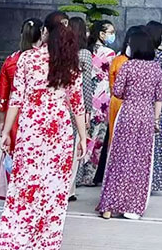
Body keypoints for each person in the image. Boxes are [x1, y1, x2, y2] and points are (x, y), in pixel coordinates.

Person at [0, 11, 87, 250]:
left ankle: (15, 239)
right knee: (53, 191)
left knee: (25, 186)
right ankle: (45, 242)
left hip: (31, 130)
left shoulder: (27, 59)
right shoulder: (70, 63)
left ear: (44, 32)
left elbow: (16, 98)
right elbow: (78, 105)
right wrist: (83, 138)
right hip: (60, 133)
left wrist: (5, 131)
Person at [96, 27, 162, 220]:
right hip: (146, 116)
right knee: (140, 162)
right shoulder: (156, 68)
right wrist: (156, 120)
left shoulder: (127, 66)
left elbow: (117, 91)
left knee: (118, 160)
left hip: (127, 115)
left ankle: (109, 206)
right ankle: (132, 208)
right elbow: (159, 98)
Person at [0, 19, 43, 199]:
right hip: (39, 116)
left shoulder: (11, 60)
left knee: (14, 156)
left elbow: (2, 96)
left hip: (14, 117)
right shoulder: (45, 60)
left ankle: (14, 196)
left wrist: (1, 121)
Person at [76, 19, 116, 187]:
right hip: (103, 99)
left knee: (84, 136)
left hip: (86, 96)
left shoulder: (84, 51)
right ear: (101, 33)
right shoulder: (109, 53)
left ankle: (76, 173)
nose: (113, 35)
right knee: (97, 140)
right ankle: (89, 175)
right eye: (111, 32)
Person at [67, 15, 93, 200]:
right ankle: (70, 188)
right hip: (77, 104)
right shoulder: (84, 54)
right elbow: (86, 85)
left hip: (61, 103)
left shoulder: (60, 51)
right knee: (74, 144)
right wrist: (88, 110)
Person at [145, 22, 162, 192]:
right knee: (154, 143)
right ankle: (154, 181)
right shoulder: (161, 58)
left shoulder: (137, 56)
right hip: (155, 105)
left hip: (133, 105)